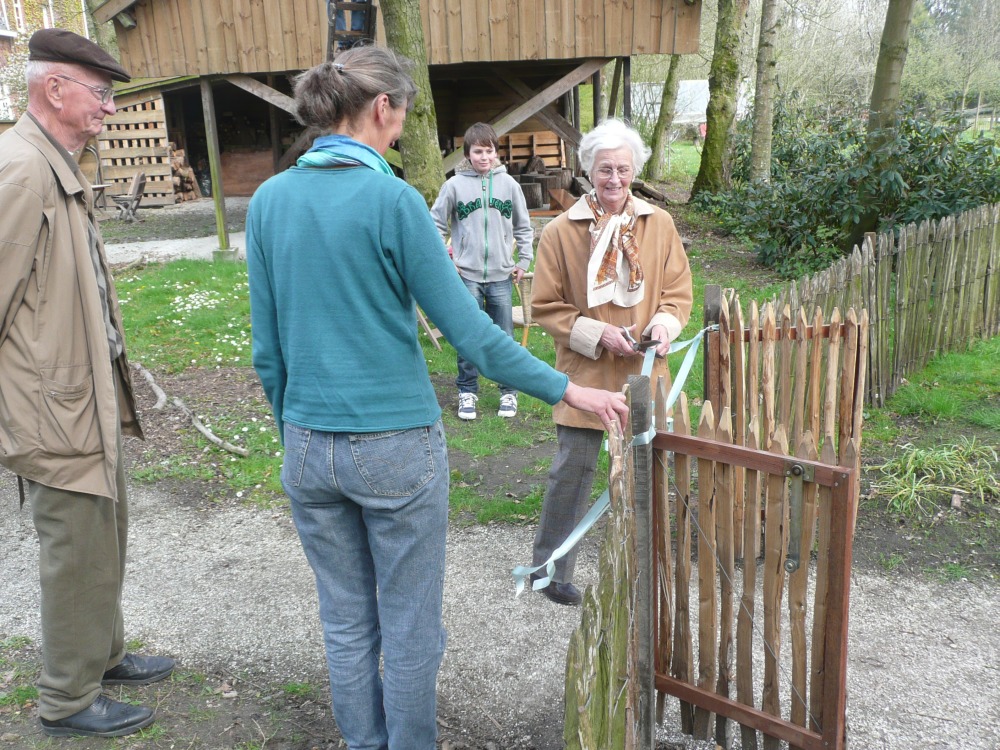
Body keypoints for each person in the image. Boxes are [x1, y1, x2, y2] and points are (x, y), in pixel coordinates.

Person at [245, 47, 628, 750]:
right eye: (402, 121)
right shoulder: (392, 201)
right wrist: (570, 387)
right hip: (394, 447)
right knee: (410, 621)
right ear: (382, 109)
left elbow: (267, 352)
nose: (399, 134)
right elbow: (476, 339)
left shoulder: (269, 201)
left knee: (345, 619)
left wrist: (294, 435)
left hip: (305, 442)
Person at [0, 29, 174, 737]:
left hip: (83, 400)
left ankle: (101, 655)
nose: (108, 107)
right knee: (74, 551)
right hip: (51, 408)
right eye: (100, 93)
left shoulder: (52, 162)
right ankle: (67, 699)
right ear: (54, 90)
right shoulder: (20, 170)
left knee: (105, 535)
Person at [529, 119, 693, 606]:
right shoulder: (561, 232)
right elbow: (546, 306)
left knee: (645, 470)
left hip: (644, 375)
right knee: (573, 472)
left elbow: (677, 292)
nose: (615, 179)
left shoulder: (658, 225)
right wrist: (597, 333)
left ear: (634, 170)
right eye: (605, 170)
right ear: (589, 171)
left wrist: (664, 325)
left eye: (623, 169)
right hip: (588, 374)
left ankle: (644, 563)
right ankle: (551, 571)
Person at [431, 122, 533, 420]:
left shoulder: (509, 186)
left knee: (504, 336)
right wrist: (446, 260)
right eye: (478, 151)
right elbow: (435, 224)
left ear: (496, 153)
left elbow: (524, 226)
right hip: (466, 274)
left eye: (489, 151)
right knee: (468, 334)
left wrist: (523, 261)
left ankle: (508, 391)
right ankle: (467, 392)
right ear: (468, 153)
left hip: (502, 274)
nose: (484, 157)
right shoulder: (453, 186)